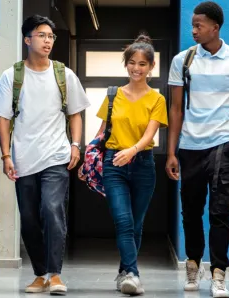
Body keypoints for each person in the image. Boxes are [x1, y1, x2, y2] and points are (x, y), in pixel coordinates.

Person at [0, 15, 90, 295]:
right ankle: (39, 274)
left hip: (55, 157)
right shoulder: (12, 76)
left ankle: (55, 275)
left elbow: (76, 114)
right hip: (23, 159)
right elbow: (3, 119)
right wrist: (6, 156)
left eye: (51, 36)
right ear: (27, 40)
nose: (47, 41)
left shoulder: (64, 74)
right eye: (42, 35)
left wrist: (75, 146)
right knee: (30, 219)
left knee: (52, 211)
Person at [166, 2, 229, 297]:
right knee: (190, 213)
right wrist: (171, 151)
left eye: (199, 25)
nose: (193, 30)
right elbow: (175, 109)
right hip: (190, 146)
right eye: (192, 24)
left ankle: (219, 273)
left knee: (220, 213)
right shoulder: (183, 60)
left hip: (224, 146)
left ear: (215, 27)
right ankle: (192, 263)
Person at [91, 34, 168, 295]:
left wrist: (132, 151)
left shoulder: (157, 100)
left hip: (143, 164)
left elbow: (150, 134)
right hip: (114, 164)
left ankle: (125, 271)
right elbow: (102, 132)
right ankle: (133, 274)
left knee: (136, 223)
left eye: (142, 64)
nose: (136, 68)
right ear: (126, 64)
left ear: (151, 67)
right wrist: (88, 156)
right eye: (132, 63)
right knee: (123, 221)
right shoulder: (113, 95)